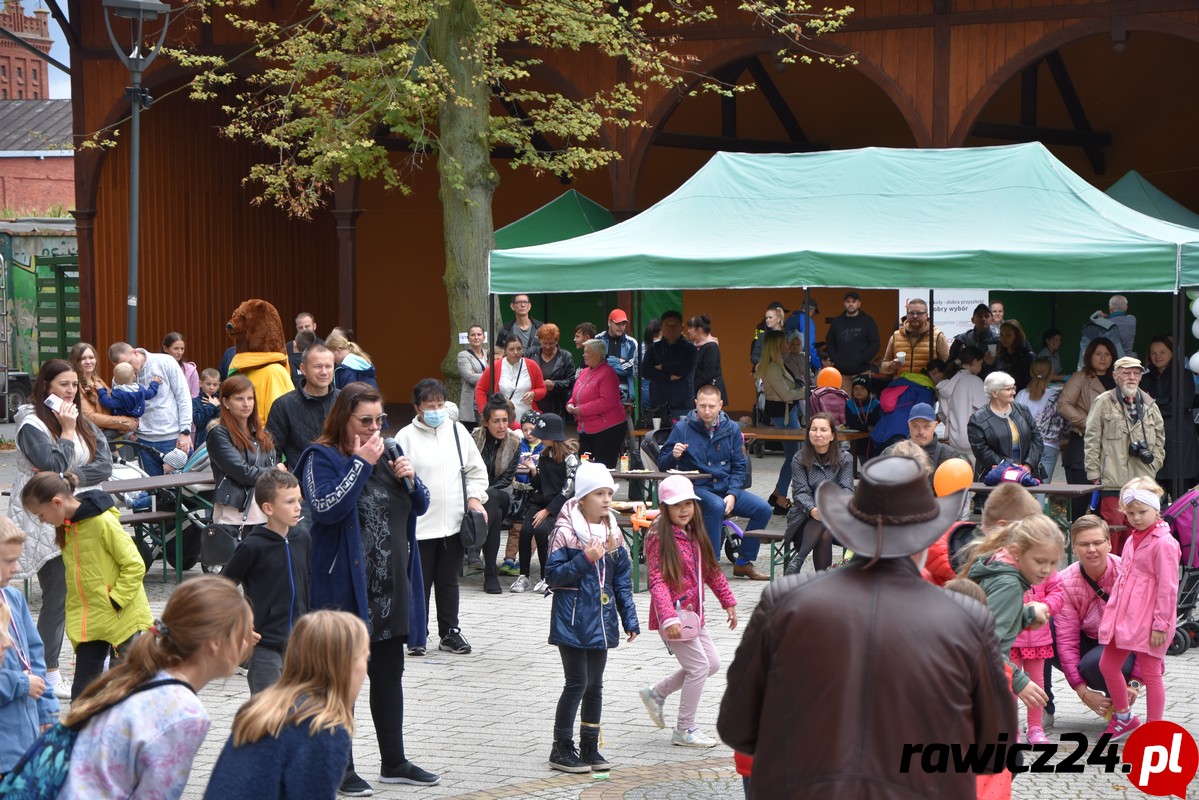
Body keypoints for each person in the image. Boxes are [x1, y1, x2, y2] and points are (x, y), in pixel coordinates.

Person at [718, 456, 1015, 797]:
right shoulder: (967, 618)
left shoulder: (783, 601)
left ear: (849, 531)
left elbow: (737, 725)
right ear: (924, 538)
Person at [296, 381, 440, 792]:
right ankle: (338, 767)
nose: (374, 428)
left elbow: (420, 505)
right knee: (343, 682)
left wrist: (411, 479)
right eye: (365, 421)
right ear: (343, 418)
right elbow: (325, 508)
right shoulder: (319, 457)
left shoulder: (389, 451)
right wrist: (359, 463)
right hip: (344, 588)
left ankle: (394, 761)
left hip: (391, 586)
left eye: (380, 419)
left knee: (389, 676)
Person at [56, 576, 254, 799]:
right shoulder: (185, 714)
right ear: (216, 644)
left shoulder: (147, 679)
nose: (247, 644)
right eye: (242, 635)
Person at [11, 359, 113, 700]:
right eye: (63, 385)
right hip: (45, 517)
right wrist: (67, 433)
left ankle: (99, 663)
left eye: (74, 384)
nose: (71, 391)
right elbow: (51, 464)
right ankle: (48, 672)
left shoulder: (78, 419)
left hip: (82, 511)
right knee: (58, 597)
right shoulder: (32, 424)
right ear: (46, 388)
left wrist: (72, 478)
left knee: (93, 588)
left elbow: (104, 463)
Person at [202, 610, 368, 800]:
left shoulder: (262, 706)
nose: (366, 667)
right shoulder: (322, 729)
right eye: (364, 657)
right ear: (345, 665)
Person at [20, 471, 153, 698]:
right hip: (90, 622)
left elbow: (134, 565)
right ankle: (81, 730)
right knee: (82, 695)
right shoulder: (67, 526)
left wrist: (116, 600)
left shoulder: (102, 522)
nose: (42, 521)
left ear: (57, 502)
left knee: (121, 693)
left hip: (121, 619)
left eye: (41, 514)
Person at [545, 461, 640, 773]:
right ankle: (561, 746)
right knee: (577, 682)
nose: (606, 500)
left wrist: (629, 618)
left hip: (601, 620)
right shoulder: (565, 531)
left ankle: (589, 745)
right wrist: (586, 559)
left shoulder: (613, 529)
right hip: (572, 620)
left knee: (595, 685)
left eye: (609, 493)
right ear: (582, 498)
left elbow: (621, 580)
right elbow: (554, 576)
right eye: (599, 493)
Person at [639, 475, 737, 748]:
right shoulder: (659, 536)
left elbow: (712, 571)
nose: (683, 510)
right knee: (698, 668)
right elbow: (656, 581)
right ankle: (685, 729)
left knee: (711, 664)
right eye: (676, 505)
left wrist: (728, 601)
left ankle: (657, 693)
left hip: (694, 615)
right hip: (674, 616)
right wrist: (667, 616)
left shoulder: (696, 532)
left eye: (688, 504)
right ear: (664, 507)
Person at [397, 379, 487, 657]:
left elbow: (476, 472)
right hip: (420, 526)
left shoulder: (459, 431)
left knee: (449, 582)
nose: (436, 410)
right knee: (419, 582)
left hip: (454, 523)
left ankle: (449, 633)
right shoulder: (404, 437)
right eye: (429, 406)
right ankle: (417, 633)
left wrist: (473, 497)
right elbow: (396, 482)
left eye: (440, 405)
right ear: (417, 408)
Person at [657, 384, 772, 580]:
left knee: (763, 509)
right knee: (716, 506)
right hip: (695, 489)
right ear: (695, 404)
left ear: (720, 405)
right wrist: (674, 455)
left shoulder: (732, 428)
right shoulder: (682, 428)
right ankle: (711, 567)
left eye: (711, 406)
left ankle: (743, 562)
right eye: (702, 406)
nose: (707, 411)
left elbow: (739, 466)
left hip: (726, 487)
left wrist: (733, 494)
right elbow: (662, 463)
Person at [1097, 477, 1180, 739]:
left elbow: (1168, 589)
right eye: (1130, 512)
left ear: (1156, 509)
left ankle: (1155, 731)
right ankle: (1124, 718)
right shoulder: (1133, 540)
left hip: (1151, 620)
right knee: (1108, 665)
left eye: (1142, 512)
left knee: (1151, 674)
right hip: (1125, 618)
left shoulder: (1164, 543)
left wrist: (1161, 625)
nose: (1136, 517)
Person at [963, 515, 1061, 719]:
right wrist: (1019, 681)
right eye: (1040, 561)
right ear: (1017, 553)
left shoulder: (999, 567)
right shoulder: (1009, 585)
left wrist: (1027, 615)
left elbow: (986, 618)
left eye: (1053, 563)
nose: (1046, 570)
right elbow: (985, 644)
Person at [221, 469, 310, 694]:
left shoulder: (303, 537)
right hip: (265, 646)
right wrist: (240, 623)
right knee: (266, 715)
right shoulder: (252, 546)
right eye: (289, 502)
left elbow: (309, 583)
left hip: (301, 645)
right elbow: (222, 588)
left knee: (299, 713)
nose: (298, 507)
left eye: (299, 500)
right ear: (268, 508)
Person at [1055, 515, 1135, 723]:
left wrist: (1137, 682)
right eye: (1084, 544)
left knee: (1096, 664)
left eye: (1097, 542)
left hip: (1124, 644)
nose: (1091, 549)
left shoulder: (1128, 572)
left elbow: (1148, 629)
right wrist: (1082, 692)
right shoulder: (1065, 581)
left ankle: (1120, 703)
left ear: (1109, 543)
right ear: (1074, 548)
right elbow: (1066, 641)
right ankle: (1043, 709)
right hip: (1089, 639)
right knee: (1041, 631)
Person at [0, 517, 60, 776]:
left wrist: (46, 710)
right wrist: (22, 684)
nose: (17, 568)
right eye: (8, 561)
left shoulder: (13, 598)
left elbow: (34, 657)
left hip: (23, 743)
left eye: (17, 559)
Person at [512, 413, 578, 593]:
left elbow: (567, 491)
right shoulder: (543, 454)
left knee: (541, 531)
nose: (539, 436)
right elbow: (540, 485)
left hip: (560, 507)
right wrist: (533, 471)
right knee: (525, 531)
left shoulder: (570, 458)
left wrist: (548, 511)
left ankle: (545, 576)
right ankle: (523, 576)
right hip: (540, 502)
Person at [108, 341, 194, 475]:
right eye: (121, 367)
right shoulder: (120, 377)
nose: (127, 369)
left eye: (129, 363)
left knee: (178, 490)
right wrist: (130, 435)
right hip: (143, 441)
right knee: (153, 491)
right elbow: (119, 410)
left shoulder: (165, 362)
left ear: (135, 352)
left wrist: (185, 432)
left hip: (172, 437)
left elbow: (183, 397)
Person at [1083, 356, 1165, 497]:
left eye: (1136, 373)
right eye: (1126, 373)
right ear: (1115, 376)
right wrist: (1094, 473)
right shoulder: (1103, 401)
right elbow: (1092, 439)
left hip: (1144, 481)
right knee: (1113, 520)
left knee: (1141, 518)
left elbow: (1160, 439)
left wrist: (1154, 464)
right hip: (1112, 482)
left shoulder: (1150, 405)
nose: (1132, 377)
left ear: (1140, 377)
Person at [784, 413, 854, 573]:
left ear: (832, 435)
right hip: (804, 518)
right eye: (813, 429)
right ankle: (822, 583)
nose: (818, 434)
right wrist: (812, 509)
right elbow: (800, 492)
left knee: (825, 525)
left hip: (837, 519)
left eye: (823, 430)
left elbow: (847, 490)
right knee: (823, 532)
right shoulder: (799, 458)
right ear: (808, 434)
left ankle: (798, 561)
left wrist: (830, 509)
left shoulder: (845, 458)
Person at [208, 376, 278, 536]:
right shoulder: (219, 434)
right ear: (225, 402)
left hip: (267, 511)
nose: (246, 404)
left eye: (250, 398)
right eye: (239, 399)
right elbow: (243, 473)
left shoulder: (263, 434)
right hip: (234, 516)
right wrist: (275, 471)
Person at [1059, 337, 1117, 516]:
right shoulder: (1081, 377)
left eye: (1107, 354)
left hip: (1111, 450)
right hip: (1082, 446)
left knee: (1105, 506)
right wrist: (1089, 423)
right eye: (1098, 353)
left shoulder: (1117, 379)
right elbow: (1063, 404)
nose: (1103, 358)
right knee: (1078, 504)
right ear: (1089, 356)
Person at [470, 396, 522, 594]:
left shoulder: (514, 441)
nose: (502, 426)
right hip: (478, 498)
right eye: (496, 421)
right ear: (485, 422)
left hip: (503, 495)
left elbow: (507, 479)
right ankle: (490, 573)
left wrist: (484, 495)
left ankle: (475, 547)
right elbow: (468, 471)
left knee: (493, 498)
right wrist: (478, 495)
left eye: (505, 420)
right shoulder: (474, 439)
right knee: (494, 513)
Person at [1011, 558, 1064, 744]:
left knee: (1037, 683)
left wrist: (1045, 606)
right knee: (1010, 684)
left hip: (1038, 636)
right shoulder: (1006, 563)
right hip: (1012, 636)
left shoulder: (1046, 564)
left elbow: (1057, 593)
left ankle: (1035, 727)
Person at [266, 344, 340, 471]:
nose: (324, 372)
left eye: (328, 366)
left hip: (341, 480)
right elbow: (270, 451)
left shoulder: (345, 401)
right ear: (303, 369)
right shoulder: (284, 405)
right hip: (300, 484)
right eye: (317, 366)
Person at [755, 330, 804, 515]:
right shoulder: (773, 367)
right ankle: (781, 498)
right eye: (784, 342)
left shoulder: (778, 364)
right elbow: (785, 395)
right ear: (776, 345)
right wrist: (806, 391)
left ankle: (777, 493)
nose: (788, 345)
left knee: (794, 455)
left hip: (787, 412)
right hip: (784, 413)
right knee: (795, 457)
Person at [1142, 335, 1199, 492]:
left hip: (1180, 440)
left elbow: (1183, 405)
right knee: (1153, 499)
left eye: (1162, 352)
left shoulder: (1185, 375)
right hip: (1153, 440)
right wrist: (1166, 400)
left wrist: (1153, 403)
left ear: (1172, 353)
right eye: (1153, 353)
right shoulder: (1144, 378)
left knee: (1179, 500)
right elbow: (1141, 406)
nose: (1158, 356)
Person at [968, 370, 1045, 481]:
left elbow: (1037, 439)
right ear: (994, 393)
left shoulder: (1023, 410)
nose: (1013, 392)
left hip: (1026, 476)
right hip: (995, 478)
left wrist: (1028, 465)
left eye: (1013, 388)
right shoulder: (978, 419)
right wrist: (1011, 467)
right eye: (1008, 389)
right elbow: (982, 452)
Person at [567, 338, 626, 469]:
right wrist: (570, 404)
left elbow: (607, 401)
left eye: (587, 352)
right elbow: (576, 394)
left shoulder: (608, 373)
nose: (583, 355)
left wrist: (580, 410)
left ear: (598, 355)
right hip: (586, 428)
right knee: (584, 466)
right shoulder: (584, 372)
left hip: (607, 428)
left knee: (603, 469)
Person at [69, 342, 139, 444]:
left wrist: (126, 426)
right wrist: (126, 422)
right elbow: (91, 418)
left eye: (91, 357)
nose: (88, 361)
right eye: (83, 359)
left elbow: (112, 404)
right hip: (95, 440)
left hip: (113, 437)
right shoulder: (75, 386)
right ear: (75, 361)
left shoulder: (98, 381)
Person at [881, 403, 968, 481]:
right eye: (915, 426)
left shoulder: (950, 456)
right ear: (908, 425)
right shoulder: (890, 453)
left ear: (935, 425)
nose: (921, 432)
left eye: (926, 426)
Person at [475, 334, 547, 425]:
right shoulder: (495, 366)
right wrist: (484, 412)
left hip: (529, 419)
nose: (516, 352)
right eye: (511, 349)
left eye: (519, 348)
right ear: (505, 351)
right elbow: (480, 388)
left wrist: (534, 393)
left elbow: (542, 389)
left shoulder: (532, 365)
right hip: (504, 420)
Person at [1016, 357, 1067, 482]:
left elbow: (1015, 421)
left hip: (1026, 444)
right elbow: (1064, 422)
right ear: (1051, 373)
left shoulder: (1021, 394)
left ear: (1031, 372)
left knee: (1023, 484)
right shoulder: (1056, 396)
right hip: (1049, 445)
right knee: (1043, 488)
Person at [641, 310, 698, 418]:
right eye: (668, 325)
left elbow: (685, 369)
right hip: (658, 403)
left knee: (684, 433)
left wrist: (662, 367)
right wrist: (669, 376)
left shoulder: (690, 349)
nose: (671, 328)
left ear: (681, 328)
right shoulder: (654, 348)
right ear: (662, 328)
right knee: (659, 434)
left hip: (683, 404)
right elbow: (646, 371)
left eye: (675, 325)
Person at [935, 345, 986, 458]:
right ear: (974, 362)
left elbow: (941, 413)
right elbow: (986, 412)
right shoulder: (974, 381)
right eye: (981, 363)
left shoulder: (947, 382)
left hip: (953, 440)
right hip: (974, 442)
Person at [824, 290, 879, 391]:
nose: (851, 304)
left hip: (862, 371)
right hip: (841, 373)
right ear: (844, 303)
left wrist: (863, 358)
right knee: (844, 403)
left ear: (859, 303)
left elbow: (875, 343)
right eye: (848, 301)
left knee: (862, 402)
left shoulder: (868, 321)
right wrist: (835, 359)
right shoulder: (837, 322)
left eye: (853, 301)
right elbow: (830, 342)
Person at [880, 297, 950, 376]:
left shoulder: (937, 336)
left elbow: (947, 366)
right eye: (911, 313)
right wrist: (891, 365)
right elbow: (883, 367)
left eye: (919, 313)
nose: (915, 316)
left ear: (926, 315)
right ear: (907, 315)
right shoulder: (896, 336)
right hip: (902, 385)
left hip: (926, 386)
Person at [533, 323, 576, 418]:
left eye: (551, 343)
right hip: (534, 406)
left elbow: (571, 381)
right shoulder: (531, 354)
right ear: (539, 341)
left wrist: (554, 385)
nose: (548, 347)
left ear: (557, 341)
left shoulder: (565, 356)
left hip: (557, 406)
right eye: (544, 343)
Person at [597, 309, 638, 404]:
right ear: (609, 322)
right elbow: (595, 364)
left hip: (624, 391)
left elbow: (630, 368)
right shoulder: (598, 339)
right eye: (617, 323)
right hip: (601, 389)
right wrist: (618, 361)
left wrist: (607, 361)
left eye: (623, 324)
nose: (621, 327)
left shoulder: (632, 343)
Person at [95, 362, 162, 417]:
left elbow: (108, 403)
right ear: (134, 376)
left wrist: (101, 390)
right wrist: (155, 383)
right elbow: (150, 394)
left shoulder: (119, 394)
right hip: (136, 417)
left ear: (115, 379)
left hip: (121, 423)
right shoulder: (140, 390)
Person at [687, 314, 728, 404]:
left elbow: (708, 373)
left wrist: (691, 387)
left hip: (709, 392)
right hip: (700, 390)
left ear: (699, 330)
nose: (688, 330)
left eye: (690, 328)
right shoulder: (695, 346)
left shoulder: (711, 347)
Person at [843, 374, 881, 468]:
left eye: (862, 388)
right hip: (857, 442)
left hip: (874, 442)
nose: (858, 391)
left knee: (874, 467)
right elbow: (850, 424)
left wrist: (860, 426)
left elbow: (876, 424)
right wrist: (867, 427)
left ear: (868, 390)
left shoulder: (876, 404)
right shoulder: (849, 404)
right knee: (863, 466)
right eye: (856, 388)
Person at [457, 324, 489, 428]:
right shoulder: (463, 355)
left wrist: (478, 375)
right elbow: (470, 377)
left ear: (484, 337)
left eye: (479, 334)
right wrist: (491, 375)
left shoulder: (489, 353)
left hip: (488, 401)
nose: (476, 337)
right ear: (468, 338)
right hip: (471, 403)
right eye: (473, 335)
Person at [993, 320, 1035, 392]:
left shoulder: (1028, 356)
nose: (1004, 338)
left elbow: (1031, 383)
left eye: (1008, 335)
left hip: (1019, 398)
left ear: (1017, 336)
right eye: (1001, 335)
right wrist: (990, 364)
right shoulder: (1000, 354)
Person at [783, 297, 822, 371]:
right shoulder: (807, 320)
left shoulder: (789, 319)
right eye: (814, 313)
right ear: (812, 310)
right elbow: (810, 345)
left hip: (787, 361)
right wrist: (817, 363)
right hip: (801, 363)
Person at [748, 301, 787, 368]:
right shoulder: (762, 333)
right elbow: (754, 354)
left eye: (770, 317)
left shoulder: (788, 334)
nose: (767, 320)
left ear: (779, 318)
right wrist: (763, 364)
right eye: (766, 318)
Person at [162, 332, 199, 398]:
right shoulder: (157, 368)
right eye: (176, 348)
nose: (180, 352)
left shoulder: (191, 370)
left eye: (182, 349)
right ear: (165, 348)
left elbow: (194, 396)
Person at [192, 368, 223, 448]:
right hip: (202, 443)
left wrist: (218, 407)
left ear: (219, 385)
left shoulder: (221, 401)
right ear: (200, 383)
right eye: (208, 384)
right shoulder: (195, 402)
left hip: (220, 441)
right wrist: (211, 406)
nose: (211, 388)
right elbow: (199, 422)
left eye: (215, 385)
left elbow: (225, 420)